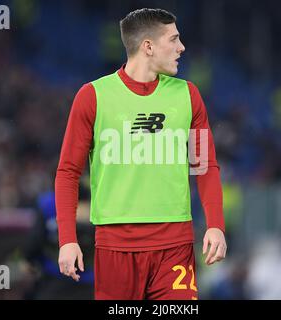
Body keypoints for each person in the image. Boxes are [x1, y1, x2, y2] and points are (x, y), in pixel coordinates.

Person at [55, 8, 227, 300]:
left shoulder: (189, 96)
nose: (181, 47)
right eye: (173, 39)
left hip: (175, 247)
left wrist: (215, 225)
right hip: (115, 248)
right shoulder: (93, 96)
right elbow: (68, 172)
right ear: (148, 46)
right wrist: (67, 240)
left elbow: (205, 165)